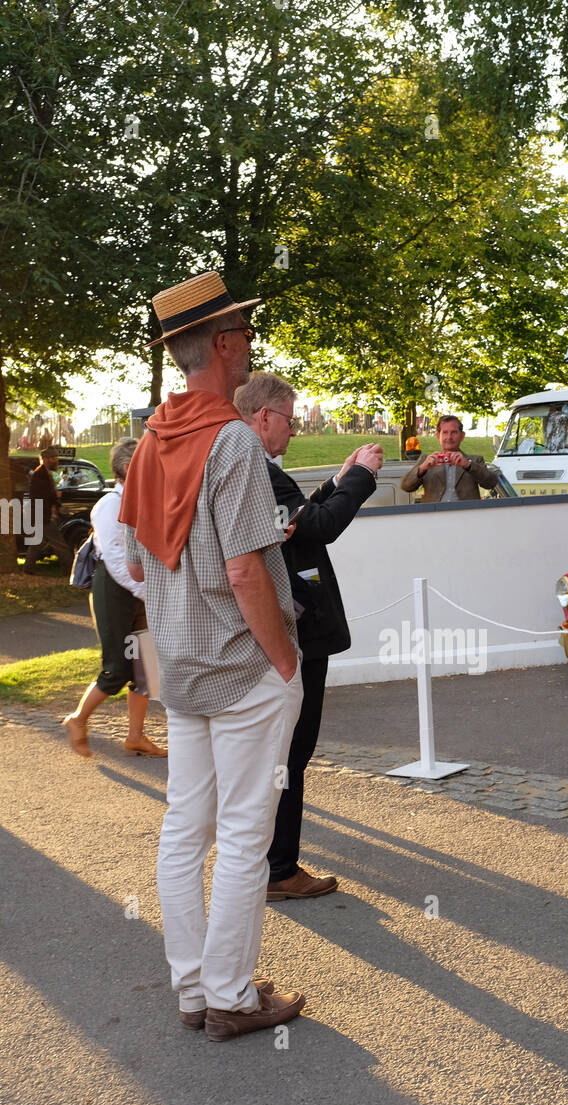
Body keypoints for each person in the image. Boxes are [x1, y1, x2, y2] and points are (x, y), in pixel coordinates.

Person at [119, 271, 306, 1043]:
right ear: (224, 344)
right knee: (243, 836)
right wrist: (286, 658)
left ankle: (195, 987)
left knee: (184, 827)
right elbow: (244, 568)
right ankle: (231, 997)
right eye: (246, 332)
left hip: (183, 669)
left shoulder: (153, 438)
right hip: (242, 669)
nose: (252, 343)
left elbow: (135, 560)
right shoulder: (229, 439)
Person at [235, 372, 382, 899]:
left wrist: (338, 479)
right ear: (265, 417)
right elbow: (319, 528)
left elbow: (299, 518)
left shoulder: (249, 466)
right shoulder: (258, 468)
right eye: (291, 420)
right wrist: (362, 477)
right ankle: (279, 869)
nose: (294, 431)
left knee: (279, 751)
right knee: (292, 750)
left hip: (273, 627)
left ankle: (270, 863)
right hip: (294, 631)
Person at [62, 439, 165, 759]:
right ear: (126, 468)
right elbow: (118, 561)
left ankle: (135, 737)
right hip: (115, 590)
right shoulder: (109, 505)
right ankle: (78, 720)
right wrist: (147, 592)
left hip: (141, 589)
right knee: (117, 669)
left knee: (146, 668)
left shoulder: (148, 501)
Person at [400, 415, 499, 502]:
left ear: (462, 435)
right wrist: (422, 469)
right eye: (445, 432)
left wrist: (468, 465)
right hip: (435, 517)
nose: (449, 437)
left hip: (467, 517)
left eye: (454, 432)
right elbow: (405, 486)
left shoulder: (475, 460)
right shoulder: (427, 460)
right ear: (438, 436)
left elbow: (491, 483)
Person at [22, 447, 75, 574]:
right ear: (45, 460)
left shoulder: (43, 473)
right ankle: (70, 570)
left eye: (56, 458)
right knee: (59, 544)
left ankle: (28, 568)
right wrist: (55, 498)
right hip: (42, 516)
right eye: (53, 458)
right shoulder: (40, 475)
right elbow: (43, 496)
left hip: (40, 514)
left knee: (37, 542)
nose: (56, 461)